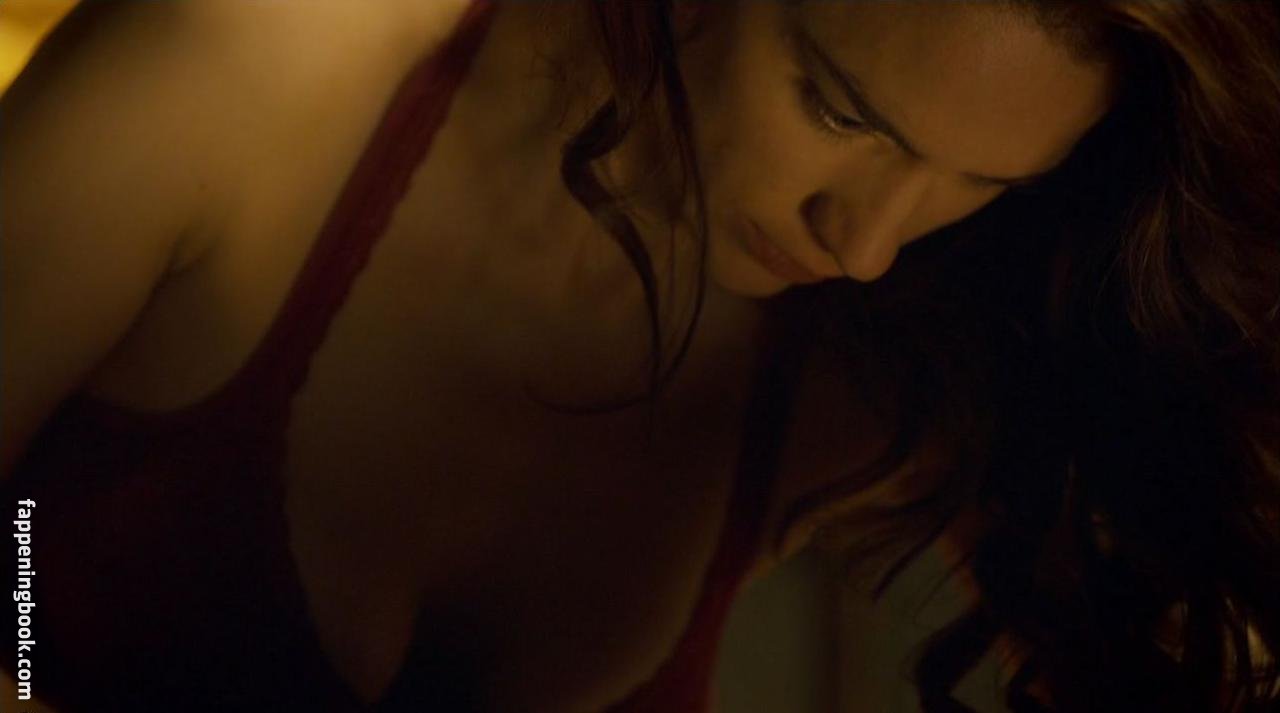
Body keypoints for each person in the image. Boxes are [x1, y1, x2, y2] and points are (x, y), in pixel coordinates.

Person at [1, 1, 1276, 711]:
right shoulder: (255, 62)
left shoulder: (890, 355)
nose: (868, 240)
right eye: (838, 111)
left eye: (982, 182)